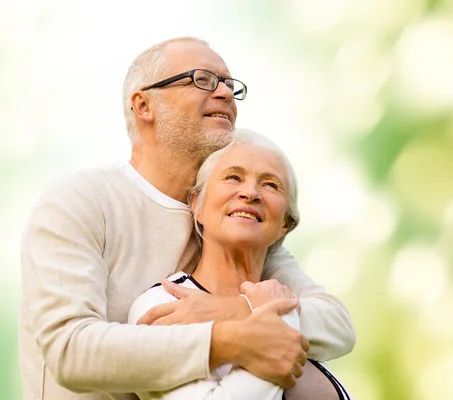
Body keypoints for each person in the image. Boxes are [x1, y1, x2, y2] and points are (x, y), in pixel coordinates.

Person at [19, 37, 355, 400]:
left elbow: (335, 323)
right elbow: (70, 351)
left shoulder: (230, 221)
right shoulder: (81, 200)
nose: (225, 93)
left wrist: (235, 310)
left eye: (229, 84)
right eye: (203, 79)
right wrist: (229, 339)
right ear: (143, 105)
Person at [128, 129, 352, 399]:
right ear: (197, 204)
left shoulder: (284, 300)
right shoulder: (164, 303)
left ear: (285, 224)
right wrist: (277, 318)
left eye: (270, 184)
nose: (250, 192)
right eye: (233, 177)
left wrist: (250, 310)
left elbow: (342, 330)